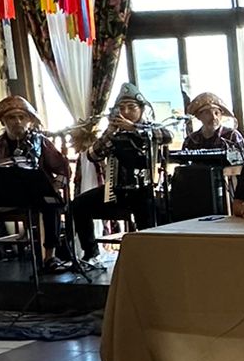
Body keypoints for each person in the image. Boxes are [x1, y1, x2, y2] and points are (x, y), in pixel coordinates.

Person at [0, 95, 71, 275]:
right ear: (3, 121)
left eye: (22, 117)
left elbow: (63, 168)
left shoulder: (41, 142)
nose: (17, 121)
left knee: (52, 203)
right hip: (5, 198)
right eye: (12, 117)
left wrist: (54, 187)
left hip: (36, 196)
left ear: (30, 120)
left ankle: (50, 257)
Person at [74, 82, 173, 261]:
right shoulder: (114, 133)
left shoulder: (151, 128)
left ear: (142, 109)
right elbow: (93, 155)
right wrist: (110, 132)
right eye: (122, 108)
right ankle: (91, 253)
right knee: (79, 205)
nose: (126, 112)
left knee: (149, 215)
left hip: (145, 191)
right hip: (116, 191)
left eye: (131, 107)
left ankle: (150, 258)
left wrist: (134, 128)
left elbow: (167, 136)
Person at [182, 92, 244, 162]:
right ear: (198, 116)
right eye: (207, 113)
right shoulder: (191, 140)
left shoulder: (232, 136)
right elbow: (184, 164)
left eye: (216, 113)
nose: (214, 117)